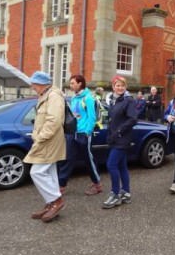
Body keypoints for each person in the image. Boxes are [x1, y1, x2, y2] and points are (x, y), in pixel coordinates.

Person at [23, 71, 66, 222]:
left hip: (49, 140)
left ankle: (57, 201)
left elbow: (54, 121)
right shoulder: (46, 95)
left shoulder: (54, 96)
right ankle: (51, 203)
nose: (32, 87)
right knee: (50, 172)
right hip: (48, 140)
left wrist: (41, 137)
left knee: (37, 172)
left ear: (42, 84)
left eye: (34, 84)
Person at [57, 75, 102, 196]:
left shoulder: (88, 98)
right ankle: (61, 186)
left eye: (72, 83)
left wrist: (87, 132)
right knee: (68, 159)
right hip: (73, 133)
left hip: (83, 134)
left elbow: (92, 118)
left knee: (88, 160)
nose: (70, 85)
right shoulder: (74, 98)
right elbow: (74, 115)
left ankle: (97, 184)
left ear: (80, 84)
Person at [102, 75, 137, 209]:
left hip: (123, 138)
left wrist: (119, 131)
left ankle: (115, 194)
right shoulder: (114, 100)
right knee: (122, 166)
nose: (120, 87)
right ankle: (126, 193)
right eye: (117, 85)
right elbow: (114, 119)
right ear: (113, 87)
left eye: (122, 85)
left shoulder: (128, 101)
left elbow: (132, 119)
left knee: (111, 164)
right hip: (115, 138)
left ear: (125, 87)